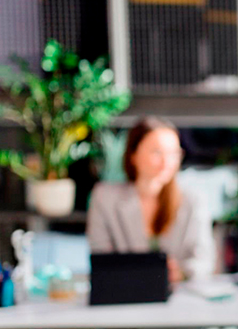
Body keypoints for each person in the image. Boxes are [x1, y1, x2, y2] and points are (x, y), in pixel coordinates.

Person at [87, 116, 216, 282]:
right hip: (124, 294)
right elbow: (101, 261)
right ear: (133, 155)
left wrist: (181, 272)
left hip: (177, 297)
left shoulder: (193, 201)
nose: (166, 163)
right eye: (157, 152)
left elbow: (204, 261)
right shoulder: (104, 199)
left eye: (174, 154)